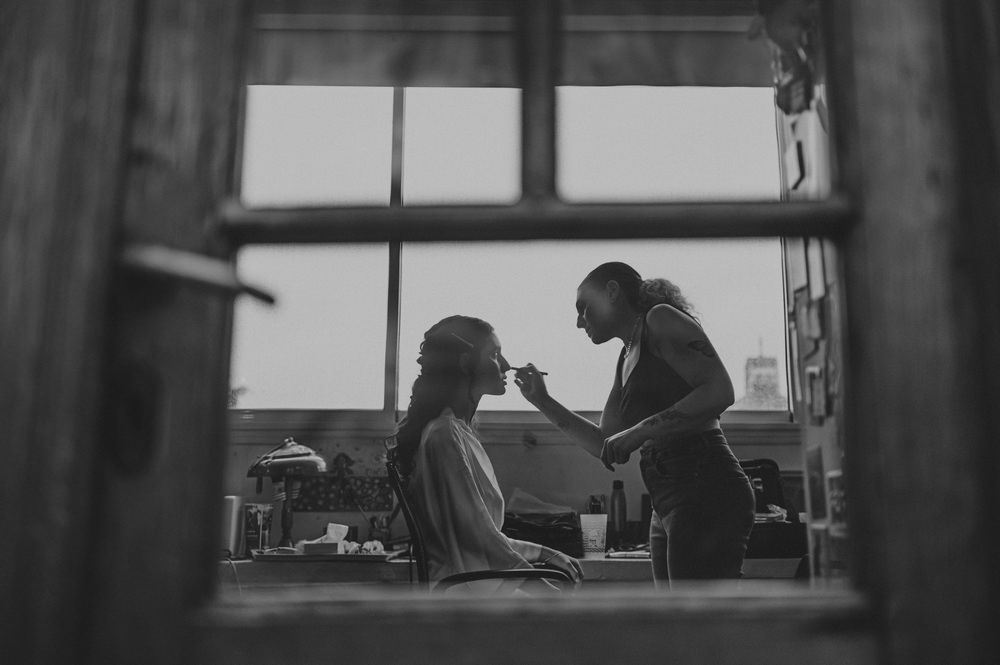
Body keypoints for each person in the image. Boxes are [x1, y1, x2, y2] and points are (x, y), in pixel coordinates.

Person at [515, 262, 754, 587]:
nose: (578, 322)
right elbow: (606, 444)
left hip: (705, 484)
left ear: (612, 292)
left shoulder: (660, 319)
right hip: (667, 498)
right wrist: (541, 400)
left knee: (696, 627)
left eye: (583, 308)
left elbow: (719, 391)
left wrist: (640, 431)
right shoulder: (625, 357)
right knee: (678, 626)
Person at [390, 315, 583, 590]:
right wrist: (544, 592)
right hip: (463, 592)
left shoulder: (456, 432)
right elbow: (477, 537)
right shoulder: (444, 435)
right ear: (466, 362)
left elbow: (484, 534)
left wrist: (545, 553)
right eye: (494, 354)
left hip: (472, 585)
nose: (505, 365)